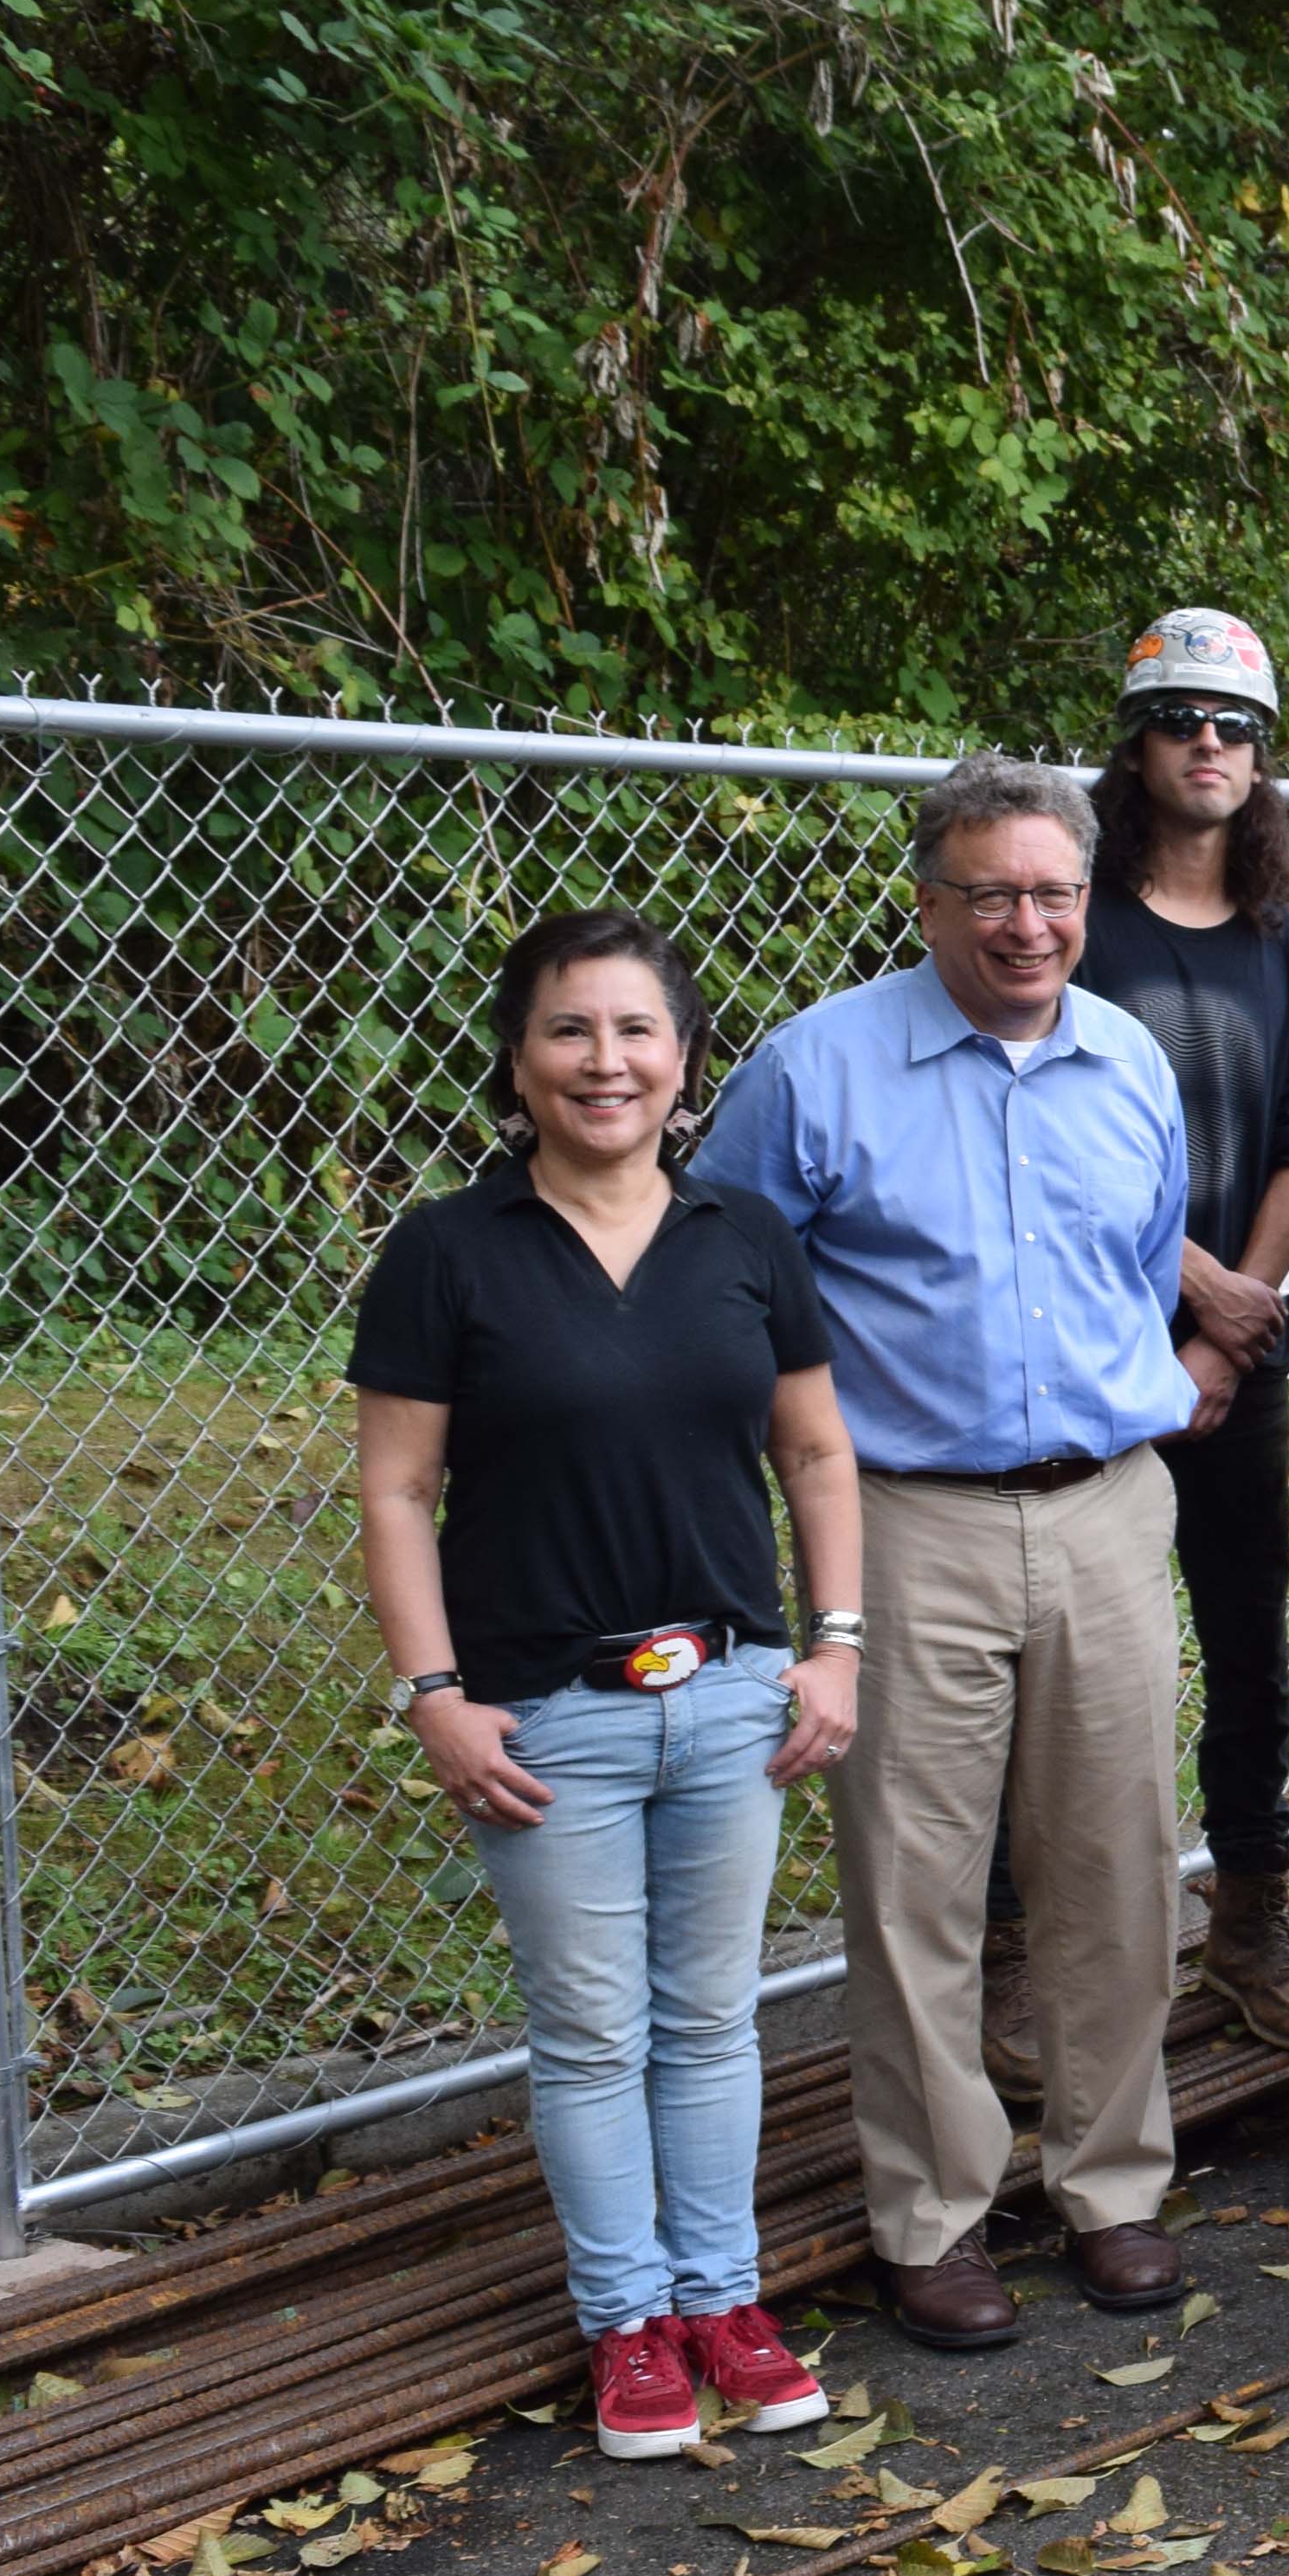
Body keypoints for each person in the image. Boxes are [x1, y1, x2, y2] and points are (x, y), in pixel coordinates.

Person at [689, 753, 1194, 2349]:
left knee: (1118, 1865)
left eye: (1055, 893)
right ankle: (933, 2213)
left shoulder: (1132, 1066)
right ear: (931, 902)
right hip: (907, 1521)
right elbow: (725, 1289)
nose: (1028, 925)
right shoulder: (813, 1073)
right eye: (994, 894)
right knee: (915, 1885)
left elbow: (1144, 1259)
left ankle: (1111, 2187)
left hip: (1110, 1506)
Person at [353, 910, 867, 2457]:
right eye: (571, 1031)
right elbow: (396, 1492)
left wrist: (836, 1645)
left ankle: (724, 2297)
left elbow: (817, 1452)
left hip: (728, 1698)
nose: (606, 1061)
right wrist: (432, 1691)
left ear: (686, 1059)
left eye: (637, 1030)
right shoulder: (449, 1251)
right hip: (542, 1712)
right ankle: (626, 2324)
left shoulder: (745, 1241)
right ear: (517, 1060)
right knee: (590, 2036)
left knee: (711, 2022)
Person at [973, 605, 1289, 2083]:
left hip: (1228, 1374)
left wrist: (1232, 1331)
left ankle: (1251, 1923)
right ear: (1134, 742)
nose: (1210, 744)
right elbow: (1033, 1131)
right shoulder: (1076, 919)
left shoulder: (1284, 940)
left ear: (1262, 758)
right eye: (1183, 720)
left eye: (1236, 727)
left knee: (1246, 1646)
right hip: (1079, 1359)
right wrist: (1187, 1289)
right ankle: (1021, 1957)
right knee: (1050, 1658)